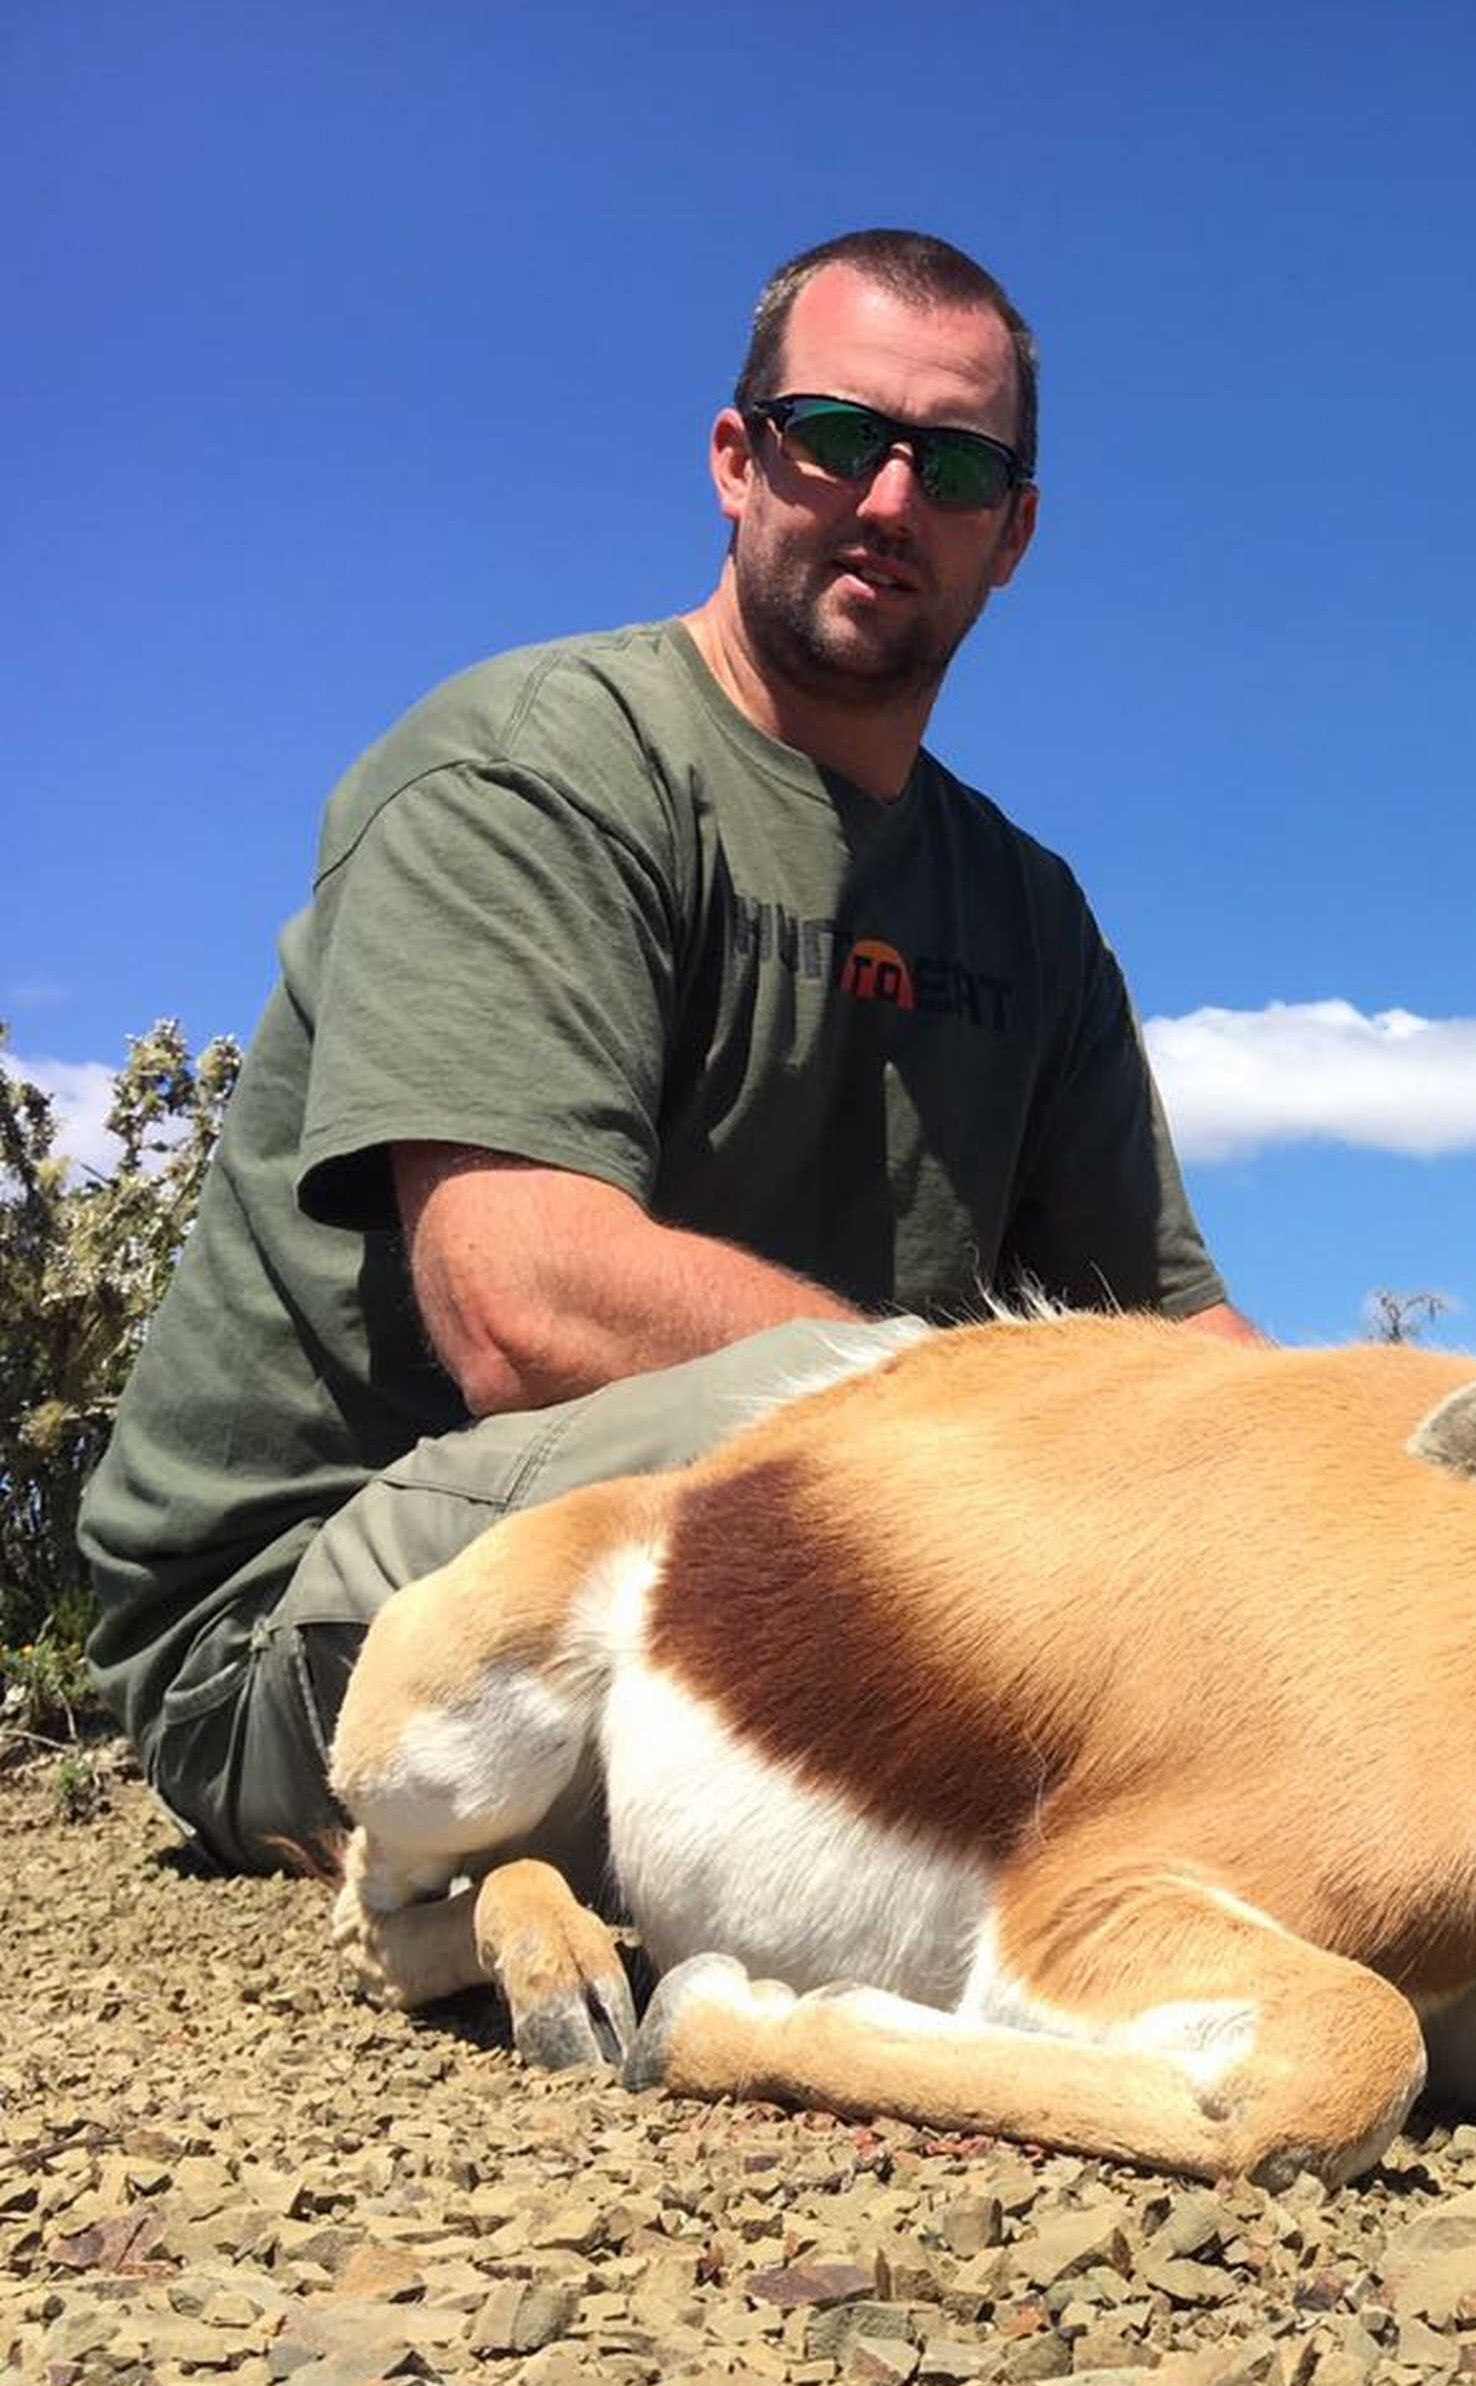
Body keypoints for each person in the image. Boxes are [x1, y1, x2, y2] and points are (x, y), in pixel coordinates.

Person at [80, 229, 1264, 1877]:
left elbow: (1180, 1340)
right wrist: (1011, 1435)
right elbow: (527, 1303)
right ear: (737, 458)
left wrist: (1409, 1495)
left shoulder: (1030, 912)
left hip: (805, 1532)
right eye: (836, 435)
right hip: (319, 1627)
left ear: (1017, 537)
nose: (889, 498)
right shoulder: (531, 767)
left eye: (960, 465)